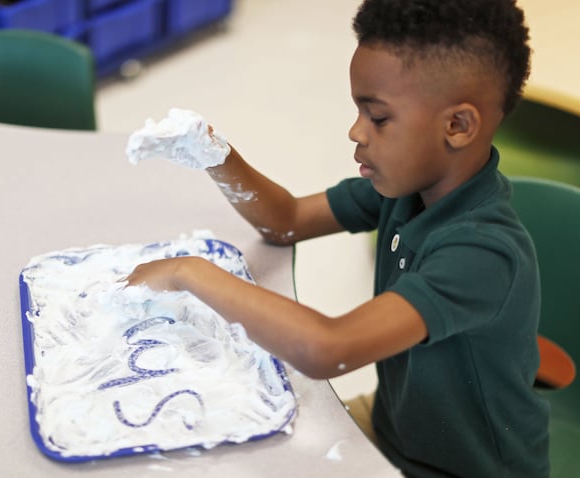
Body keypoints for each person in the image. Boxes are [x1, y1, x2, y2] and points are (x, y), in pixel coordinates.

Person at [125, 0, 550, 476]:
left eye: (378, 118)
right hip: (396, 428)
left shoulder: (482, 252)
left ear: (458, 126)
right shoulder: (408, 189)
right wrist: (213, 153)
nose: (355, 131)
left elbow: (330, 348)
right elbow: (285, 220)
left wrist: (190, 272)